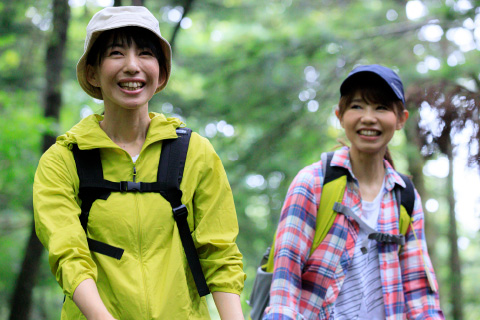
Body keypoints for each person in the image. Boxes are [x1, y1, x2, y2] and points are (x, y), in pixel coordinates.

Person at [33, 6, 245, 320]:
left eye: (145, 53)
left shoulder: (194, 153)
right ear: (92, 72)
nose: (132, 66)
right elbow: (69, 254)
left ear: (161, 72)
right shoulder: (63, 161)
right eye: (116, 53)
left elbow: (220, 253)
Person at [263, 65, 444, 319]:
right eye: (357, 106)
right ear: (340, 115)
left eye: (381, 107)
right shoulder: (313, 182)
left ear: (401, 119)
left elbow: (419, 295)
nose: (368, 118)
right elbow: (285, 283)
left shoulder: (406, 197)